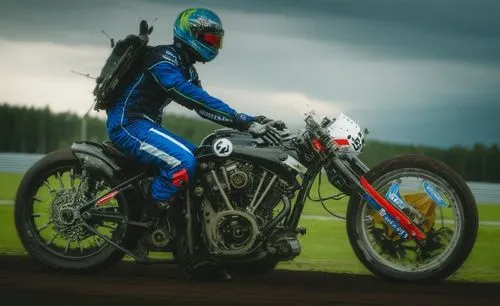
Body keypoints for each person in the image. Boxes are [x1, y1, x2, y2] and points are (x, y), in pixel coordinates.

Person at [105, 8, 283, 215]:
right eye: (209, 38)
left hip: (146, 126)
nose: (214, 44)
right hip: (128, 125)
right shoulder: (163, 60)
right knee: (183, 162)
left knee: (203, 160)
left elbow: (204, 108)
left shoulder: (186, 68)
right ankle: (145, 218)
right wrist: (242, 120)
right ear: (189, 34)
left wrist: (251, 120)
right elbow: (194, 98)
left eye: (217, 41)